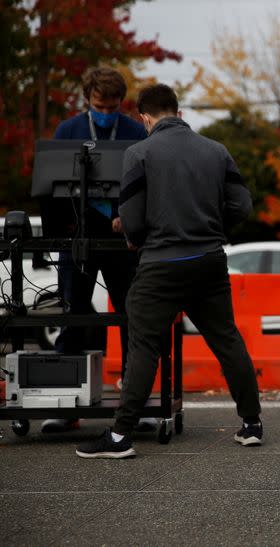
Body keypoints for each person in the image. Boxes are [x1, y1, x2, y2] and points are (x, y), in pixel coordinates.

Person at [76, 84, 262, 458]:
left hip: (160, 263)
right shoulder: (216, 151)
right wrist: (209, 224)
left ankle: (120, 436)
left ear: (144, 118)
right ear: (178, 113)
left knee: (145, 343)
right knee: (226, 339)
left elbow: (130, 217)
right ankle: (251, 424)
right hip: (209, 260)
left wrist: (131, 231)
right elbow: (241, 206)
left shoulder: (139, 152)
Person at [43, 67, 145, 434]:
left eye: (113, 105)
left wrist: (127, 216)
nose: (107, 111)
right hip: (77, 238)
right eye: (100, 105)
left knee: (132, 316)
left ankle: (136, 403)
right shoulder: (68, 131)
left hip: (123, 240)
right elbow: (51, 187)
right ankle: (65, 405)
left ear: (122, 103)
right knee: (74, 315)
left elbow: (143, 185)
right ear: (88, 100)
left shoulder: (134, 131)